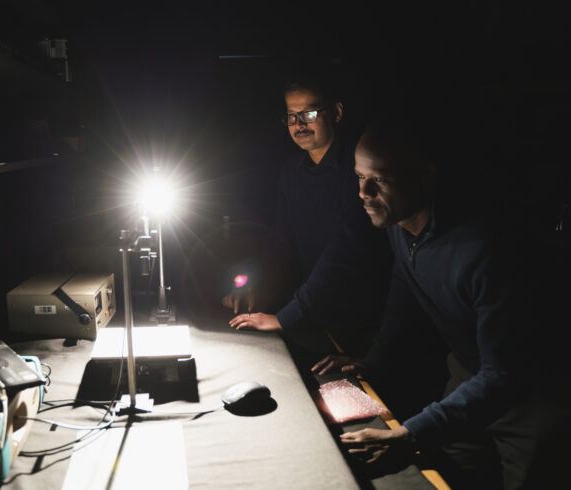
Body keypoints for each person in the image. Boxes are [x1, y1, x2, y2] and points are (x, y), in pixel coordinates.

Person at [312, 117, 567, 488]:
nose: (363, 191)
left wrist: (408, 435)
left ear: (426, 175)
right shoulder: (401, 224)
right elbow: (405, 288)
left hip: (534, 403)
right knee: (449, 477)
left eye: (379, 179)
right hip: (468, 377)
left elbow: (505, 375)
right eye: (359, 176)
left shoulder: (485, 249)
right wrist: (375, 358)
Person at [224, 76, 391, 357]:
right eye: (291, 116)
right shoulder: (292, 170)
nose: (299, 124)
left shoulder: (359, 168)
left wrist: (284, 318)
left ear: (336, 113)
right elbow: (278, 240)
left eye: (309, 114)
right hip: (310, 314)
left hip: (359, 321)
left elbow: (343, 253)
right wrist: (256, 286)